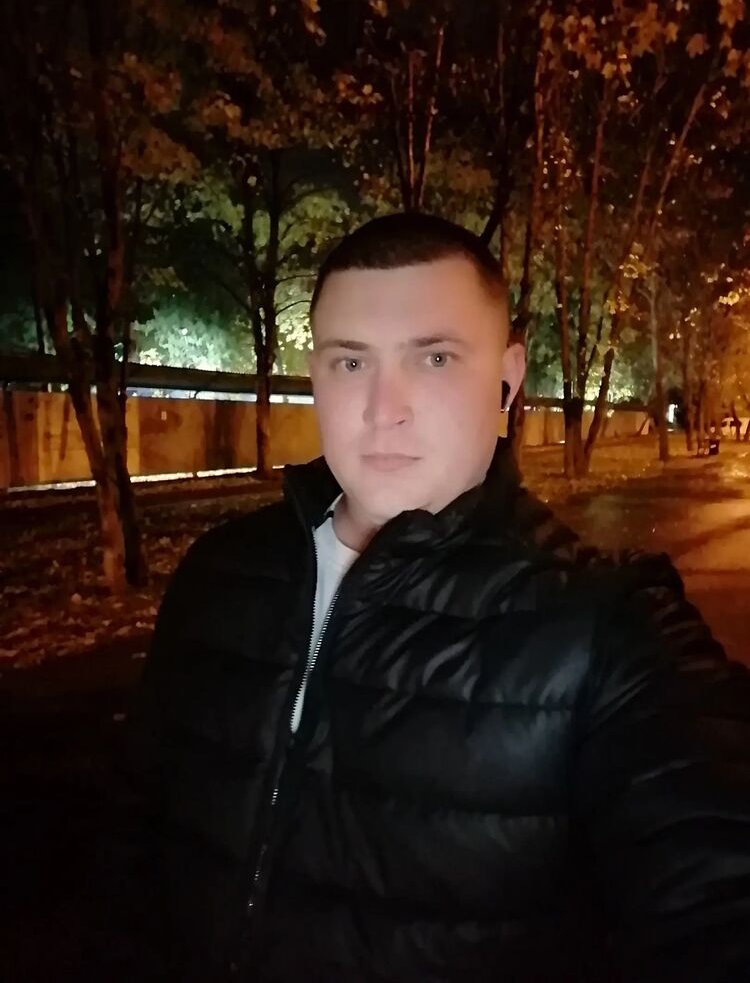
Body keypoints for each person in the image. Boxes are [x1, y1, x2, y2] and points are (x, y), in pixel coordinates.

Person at [125, 214, 750, 982]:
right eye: (350, 361)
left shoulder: (609, 628)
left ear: (507, 378)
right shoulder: (221, 574)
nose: (383, 407)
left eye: (435, 358)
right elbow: (127, 854)